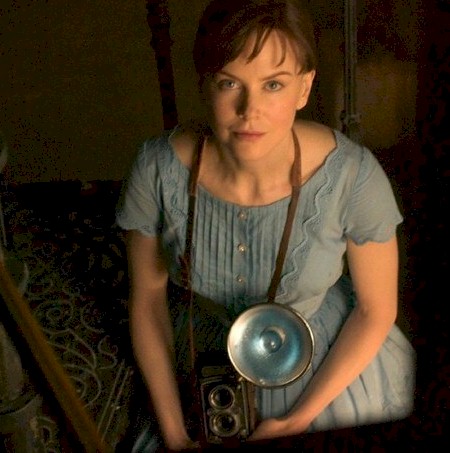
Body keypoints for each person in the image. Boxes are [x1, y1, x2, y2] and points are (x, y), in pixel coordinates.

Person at [116, 0, 415, 450]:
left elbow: (376, 310)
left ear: (304, 88)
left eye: (273, 84)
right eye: (229, 83)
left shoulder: (353, 175)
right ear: (205, 85)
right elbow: (147, 301)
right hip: (202, 351)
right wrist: (175, 432)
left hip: (326, 364)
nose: (249, 109)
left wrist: (297, 419)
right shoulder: (156, 168)